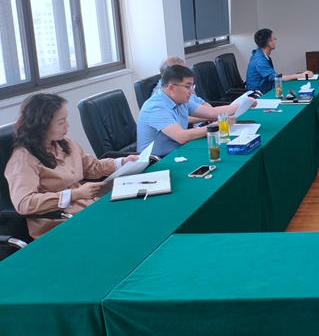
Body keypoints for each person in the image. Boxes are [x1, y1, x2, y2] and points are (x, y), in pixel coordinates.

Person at [4, 94, 138, 239]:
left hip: (86, 209)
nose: (67, 125)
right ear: (41, 125)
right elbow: (24, 203)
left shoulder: (64, 143)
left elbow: (92, 166)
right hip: (59, 223)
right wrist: (74, 195)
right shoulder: (23, 160)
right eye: (61, 122)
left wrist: (121, 162)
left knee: (131, 217)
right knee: (122, 229)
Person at [137, 65, 215, 157]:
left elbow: (212, 112)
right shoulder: (155, 107)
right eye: (187, 87)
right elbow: (182, 137)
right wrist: (216, 126)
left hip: (177, 151)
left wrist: (230, 112)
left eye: (192, 87)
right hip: (156, 161)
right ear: (171, 88)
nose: (192, 91)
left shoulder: (179, 100)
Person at [150, 56, 254, 121]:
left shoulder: (183, 92)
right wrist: (209, 119)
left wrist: (243, 104)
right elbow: (181, 131)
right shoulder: (160, 99)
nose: (191, 90)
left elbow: (208, 108)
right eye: (182, 71)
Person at [246, 28, 313, 94]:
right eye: (274, 39)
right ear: (270, 43)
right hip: (258, 95)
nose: (275, 41)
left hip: (266, 90)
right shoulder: (260, 61)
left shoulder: (260, 55)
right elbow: (276, 78)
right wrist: (301, 75)